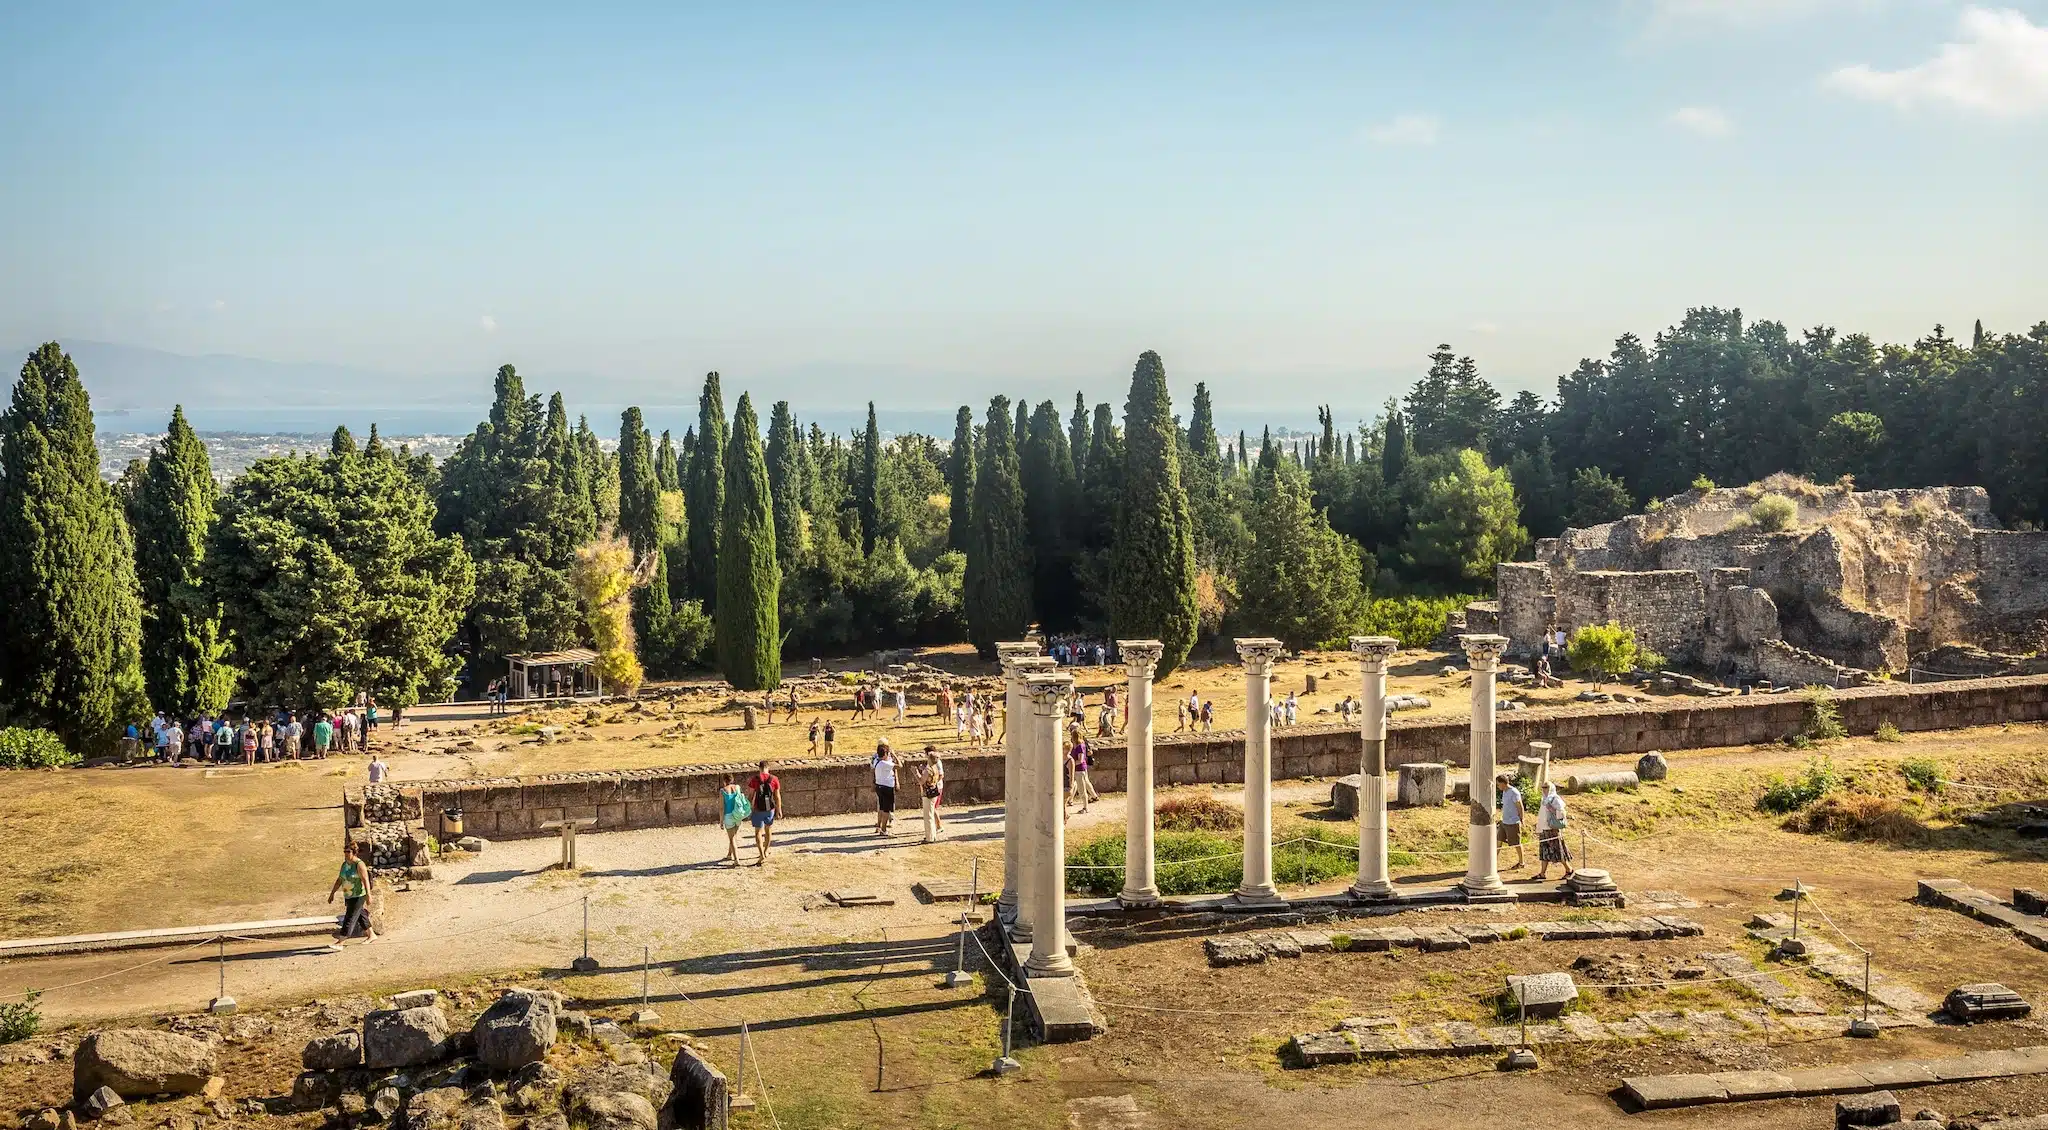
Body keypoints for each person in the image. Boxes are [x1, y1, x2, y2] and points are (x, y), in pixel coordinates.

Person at [328, 843, 376, 946]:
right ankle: (371, 935)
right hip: (348, 895)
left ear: (354, 852)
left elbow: (365, 879)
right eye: (345, 851)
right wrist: (332, 893)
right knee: (360, 915)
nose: (346, 854)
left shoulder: (359, 864)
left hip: (359, 895)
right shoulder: (344, 864)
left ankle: (341, 941)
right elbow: (340, 879)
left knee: (350, 917)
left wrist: (369, 895)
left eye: (348, 851)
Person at [1533, 781, 1575, 881]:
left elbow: (1562, 814)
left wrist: (1552, 809)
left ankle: (1569, 869)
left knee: (1558, 851)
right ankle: (1542, 873)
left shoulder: (1555, 799)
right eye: (1543, 787)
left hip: (1553, 829)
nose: (1544, 789)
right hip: (1544, 829)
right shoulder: (1544, 799)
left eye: (1546, 787)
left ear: (1551, 788)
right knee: (1544, 851)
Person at [746, 760, 781, 864]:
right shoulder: (774, 779)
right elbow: (777, 796)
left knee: (758, 832)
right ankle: (766, 851)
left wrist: (748, 808)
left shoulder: (755, 779)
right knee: (768, 830)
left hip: (758, 808)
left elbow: (751, 795)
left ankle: (761, 854)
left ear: (759, 768)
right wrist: (779, 810)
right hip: (770, 808)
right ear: (768, 768)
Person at [1498, 775, 1526, 870]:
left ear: (1503, 783)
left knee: (1516, 843)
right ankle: (1493, 861)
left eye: (1498, 784)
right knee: (1498, 841)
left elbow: (1520, 806)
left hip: (1513, 822)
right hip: (1504, 821)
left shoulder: (1514, 792)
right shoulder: (1504, 792)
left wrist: (1522, 819)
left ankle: (1521, 862)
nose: (1498, 787)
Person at [719, 774, 749, 864]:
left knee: (732, 838)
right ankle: (729, 854)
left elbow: (721, 807)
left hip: (728, 815)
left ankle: (736, 859)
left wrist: (721, 820)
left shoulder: (722, 791)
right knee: (734, 835)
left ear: (724, 781)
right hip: (738, 814)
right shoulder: (737, 787)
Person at [872, 740, 899, 836]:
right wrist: (895, 755)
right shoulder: (885, 763)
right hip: (887, 787)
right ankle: (884, 829)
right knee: (887, 810)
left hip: (879, 785)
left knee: (881, 808)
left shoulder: (876, 760)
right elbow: (900, 765)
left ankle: (879, 826)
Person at [920, 745, 946, 834]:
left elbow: (941, 775)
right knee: (933, 808)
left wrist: (933, 783)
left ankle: (939, 826)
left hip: (936, 787)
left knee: (933, 808)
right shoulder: (932, 763)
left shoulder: (937, 762)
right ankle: (937, 826)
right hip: (935, 786)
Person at [1070, 733, 1097, 812]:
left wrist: (1072, 763)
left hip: (1080, 770)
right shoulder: (1077, 745)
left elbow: (1081, 760)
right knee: (1076, 785)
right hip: (1077, 769)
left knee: (1082, 789)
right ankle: (1070, 799)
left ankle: (1085, 807)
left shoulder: (1080, 746)